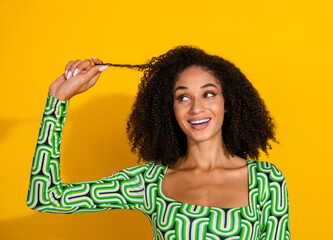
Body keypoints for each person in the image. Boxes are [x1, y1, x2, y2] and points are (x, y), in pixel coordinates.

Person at [27, 46, 290, 239]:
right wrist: (57, 102)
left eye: (208, 94)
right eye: (183, 97)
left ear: (228, 104)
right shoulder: (148, 182)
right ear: (170, 110)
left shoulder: (265, 180)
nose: (197, 108)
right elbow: (45, 197)